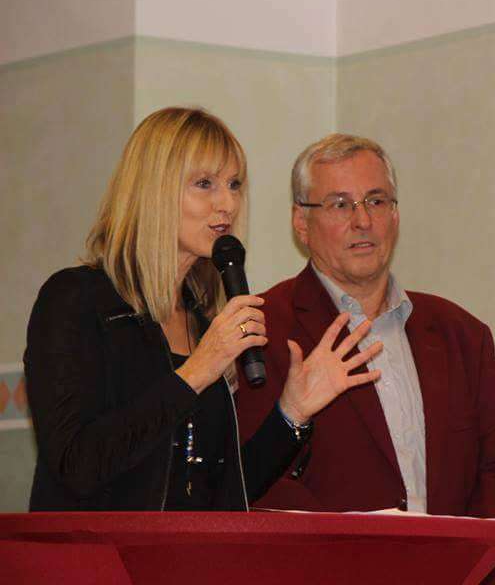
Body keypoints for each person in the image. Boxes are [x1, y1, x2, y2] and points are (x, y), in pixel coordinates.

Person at [25, 107, 380, 511]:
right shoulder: (76, 300)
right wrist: (196, 371)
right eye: (205, 184)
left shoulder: (200, 319)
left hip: (187, 551)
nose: (227, 203)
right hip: (100, 551)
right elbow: (77, 465)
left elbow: (224, 494)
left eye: (234, 184)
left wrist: (292, 413)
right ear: (154, 190)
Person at [234, 133, 495, 580]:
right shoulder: (262, 330)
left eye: (376, 201)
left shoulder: (462, 336)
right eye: (340, 204)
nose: (363, 221)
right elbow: (257, 487)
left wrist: (469, 572)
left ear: (395, 214)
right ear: (301, 222)